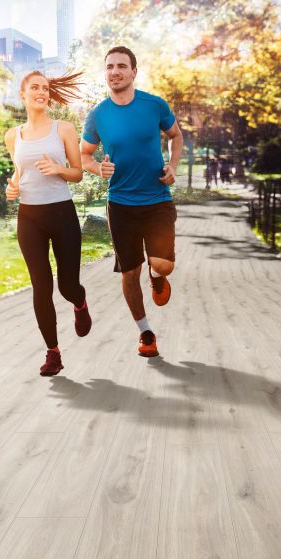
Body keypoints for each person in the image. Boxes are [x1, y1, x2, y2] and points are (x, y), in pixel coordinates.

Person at [80, 46, 183, 357]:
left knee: (162, 263)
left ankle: (157, 276)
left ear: (134, 72)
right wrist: (99, 168)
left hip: (156, 199)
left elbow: (176, 136)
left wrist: (172, 166)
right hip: (121, 204)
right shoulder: (98, 115)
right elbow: (85, 154)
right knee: (128, 273)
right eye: (110, 66)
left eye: (122, 66)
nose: (115, 71)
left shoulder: (154, 105)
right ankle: (145, 333)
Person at [4, 70, 92, 376]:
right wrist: (11, 187)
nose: (41, 92)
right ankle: (53, 352)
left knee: (67, 285)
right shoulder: (12, 136)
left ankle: (79, 304)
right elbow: (19, 173)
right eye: (35, 88)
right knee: (41, 286)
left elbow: (78, 172)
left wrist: (58, 168)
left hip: (61, 213)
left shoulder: (63, 129)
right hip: (29, 217)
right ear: (24, 95)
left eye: (45, 88)